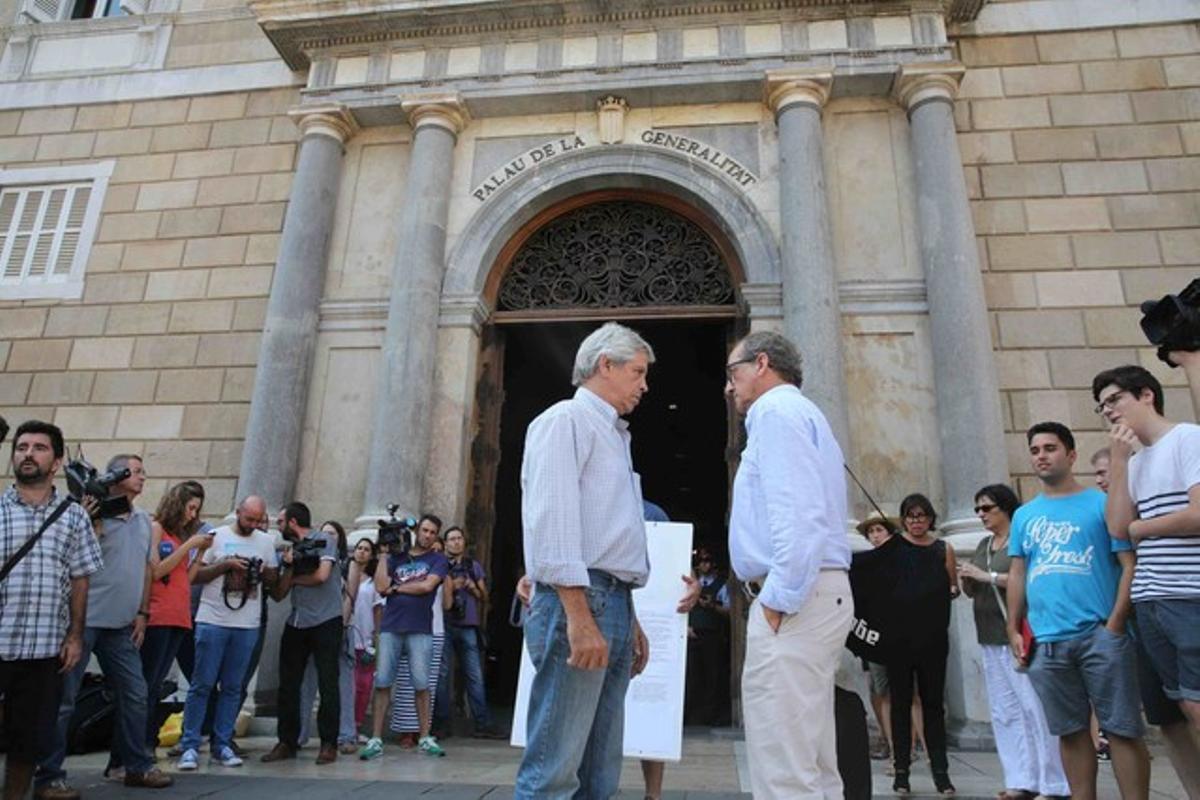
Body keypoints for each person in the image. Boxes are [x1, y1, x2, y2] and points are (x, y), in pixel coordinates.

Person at [514, 321, 656, 799]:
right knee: (554, 769)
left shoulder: (614, 434)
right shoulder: (564, 422)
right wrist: (578, 616)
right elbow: (553, 524)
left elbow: (613, 540)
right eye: (637, 372)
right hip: (579, 601)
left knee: (599, 772)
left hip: (611, 602)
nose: (644, 384)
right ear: (605, 365)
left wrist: (629, 618)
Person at [724, 330, 854, 799]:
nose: (728, 385)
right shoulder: (801, 414)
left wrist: (779, 598)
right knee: (812, 762)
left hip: (797, 600)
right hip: (815, 594)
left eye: (732, 372)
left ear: (761, 364)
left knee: (783, 764)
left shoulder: (777, 412)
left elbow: (798, 513)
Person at [1006, 421, 1149, 800]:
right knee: (1069, 732)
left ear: (1070, 455)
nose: (1041, 456)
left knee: (1122, 730)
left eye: (1050, 448)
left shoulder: (1101, 505)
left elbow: (1128, 564)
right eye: (1035, 450)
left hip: (1100, 635)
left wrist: (1116, 624)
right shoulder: (1024, 516)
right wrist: (1013, 626)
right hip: (1047, 641)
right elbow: (1019, 572)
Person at [36, 454, 174, 797]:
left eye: (143, 471)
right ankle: (49, 774)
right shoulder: (83, 515)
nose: (143, 477)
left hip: (121, 626)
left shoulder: (143, 520)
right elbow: (69, 559)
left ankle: (135, 766)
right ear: (117, 475)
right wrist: (89, 521)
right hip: (82, 623)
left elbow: (144, 568)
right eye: (137, 471)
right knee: (64, 700)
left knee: (136, 693)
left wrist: (142, 613)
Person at [2, 421, 102, 800]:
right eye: (22, 446)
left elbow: (80, 580)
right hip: (0, 640)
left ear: (57, 461)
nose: (28, 453)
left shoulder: (73, 516)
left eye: (39, 448)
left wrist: (75, 636)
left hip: (44, 647)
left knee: (27, 740)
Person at [958, 484, 1069, 800]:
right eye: (977, 509)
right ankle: (1021, 779)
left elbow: (1028, 579)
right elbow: (973, 591)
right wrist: (969, 580)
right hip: (989, 636)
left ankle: (1054, 782)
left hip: (1018, 635)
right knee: (1005, 712)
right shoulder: (984, 544)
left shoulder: (1021, 540)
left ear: (1005, 508)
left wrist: (986, 577)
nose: (981, 515)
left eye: (986, 508)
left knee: (1035, 709)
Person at [175, 495, 278, 771]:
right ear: (237, 513)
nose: (253, 524)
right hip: (212, 619)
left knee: (233, 687)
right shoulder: (215, 536)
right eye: (249, 519)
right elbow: (193, 575)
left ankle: (222, 742)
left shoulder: (266, 542)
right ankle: (190, 745)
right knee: (202, 685)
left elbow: (273, 581)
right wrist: (226, 565)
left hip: (247, 623)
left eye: (258, 520)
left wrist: (264, 570)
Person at [884, 493, 957, 796]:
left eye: (922, 516)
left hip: (933, 639)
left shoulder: (944, 549)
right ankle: (902, 771)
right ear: (904, 519)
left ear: (930, 518)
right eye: (911, 516)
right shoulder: (893, 549)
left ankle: (940, 772)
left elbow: (953, 589)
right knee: (900, 705)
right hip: (899, 641)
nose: (916, 521)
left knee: (933, 706)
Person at [360, 513, 448, 760]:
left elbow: (427, 586)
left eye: (433, 532)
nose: (428, 536)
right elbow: (379, 586)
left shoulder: (438, 559)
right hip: (391, 626)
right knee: (383, 682)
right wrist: (384, 554)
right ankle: (376, 737)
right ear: (417, 531)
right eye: (425, 530)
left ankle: (425, 736)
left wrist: (396, 588)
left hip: (420, 628)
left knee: (422, 684)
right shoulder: (396, 557)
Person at [262, 503, 344, 765]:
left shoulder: (324, 540)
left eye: (282, 520)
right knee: (288, 684)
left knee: (328, 683)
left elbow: (322, 575)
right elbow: (279, 595)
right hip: (297, 620)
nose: (278, 525)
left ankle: (329, 743)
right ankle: (287, 741)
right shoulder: (290, 549)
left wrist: (297, 576)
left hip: (326, 620)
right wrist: (288, 566)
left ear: (294, 521)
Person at [138, 482, 212, 758]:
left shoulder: (179, 537)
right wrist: (190, 545)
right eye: (190, 507)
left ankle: (147, 745)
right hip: (159, 615)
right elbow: (156, 571)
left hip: (179, 617)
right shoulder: (157, 529)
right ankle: (140, 746)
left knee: (155, 684)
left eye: (197, 509)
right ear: (178, 503)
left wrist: (200, 553)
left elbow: (185, 579)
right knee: (148, 684)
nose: (193, 515)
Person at [854, 513, 927, 769]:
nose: (875, 536)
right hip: (874, 636)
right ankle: (895, 750)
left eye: (878, 531)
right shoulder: (865, 563)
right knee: (882, 692)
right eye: (871, 532)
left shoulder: (905, 558)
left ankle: (920, 750)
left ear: (889, 533)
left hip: (905, 635)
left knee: (911, 695)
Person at [441, 526, 505, 738]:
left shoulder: (472, 566)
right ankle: (441, 724)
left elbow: (485, 597)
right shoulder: (440, 566)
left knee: (475, 676)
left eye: (459, 538)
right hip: (446, 625)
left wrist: (470, 586)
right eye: (452, 539)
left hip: (468, 625)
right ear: (446, 543)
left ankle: (482, 723)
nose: (456, 542)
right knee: (443, 675)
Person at [684, 546, 730, 727]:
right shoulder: (688, 581)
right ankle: (689, 717)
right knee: (691, 676)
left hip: (712, 635)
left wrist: (712, 607)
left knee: (712, 677)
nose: (704, 564)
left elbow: (730, 611)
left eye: (708, 560)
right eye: (701, 561)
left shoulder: (722, 584)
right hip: (690, 634)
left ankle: (709, 717)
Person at [347, 537, 383, 734]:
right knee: (347, 684)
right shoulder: (345, 576)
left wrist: (376, 639)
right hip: (347, 636)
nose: (361, 552)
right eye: (359, 548)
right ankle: (344, 725)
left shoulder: (373, 582)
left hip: (365, 637)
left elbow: (378, 611)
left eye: (366, 549)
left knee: (364, 685)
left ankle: (357, 725)